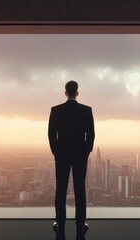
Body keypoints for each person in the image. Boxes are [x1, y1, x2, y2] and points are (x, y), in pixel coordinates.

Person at [48, 80, 95, 237]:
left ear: (65, 93)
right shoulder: (86, 110)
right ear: (77, 93)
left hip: (62, 154)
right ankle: (80, 224)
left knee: (60, 188)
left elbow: (51, 134)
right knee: (80, 188)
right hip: (80, 155)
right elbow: (91, 134)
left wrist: (56, 151)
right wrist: (86, 151)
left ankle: (60, 224)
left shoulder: (56, 110)